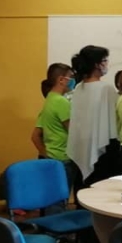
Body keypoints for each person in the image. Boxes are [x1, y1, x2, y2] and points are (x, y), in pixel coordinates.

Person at [67, 45, 120, 186]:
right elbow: (115, 119)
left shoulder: (78, 88)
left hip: (82, 144)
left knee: (82, 187)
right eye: (105, 60)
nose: (107, 64)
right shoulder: (106, 88)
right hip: (103, 146)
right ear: (97, 64)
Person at [31, 63, 79, 213]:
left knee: (50, 200)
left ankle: (48, 225)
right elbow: (73, 131)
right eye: (71, 77)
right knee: (58, 202)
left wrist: (45, 153)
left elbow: (35, 136)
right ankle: (56, 226)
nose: (73, 81)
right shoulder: (61, 102)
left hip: (51, 157)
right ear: (61, 80)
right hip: (63, 158)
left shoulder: (49, 100)